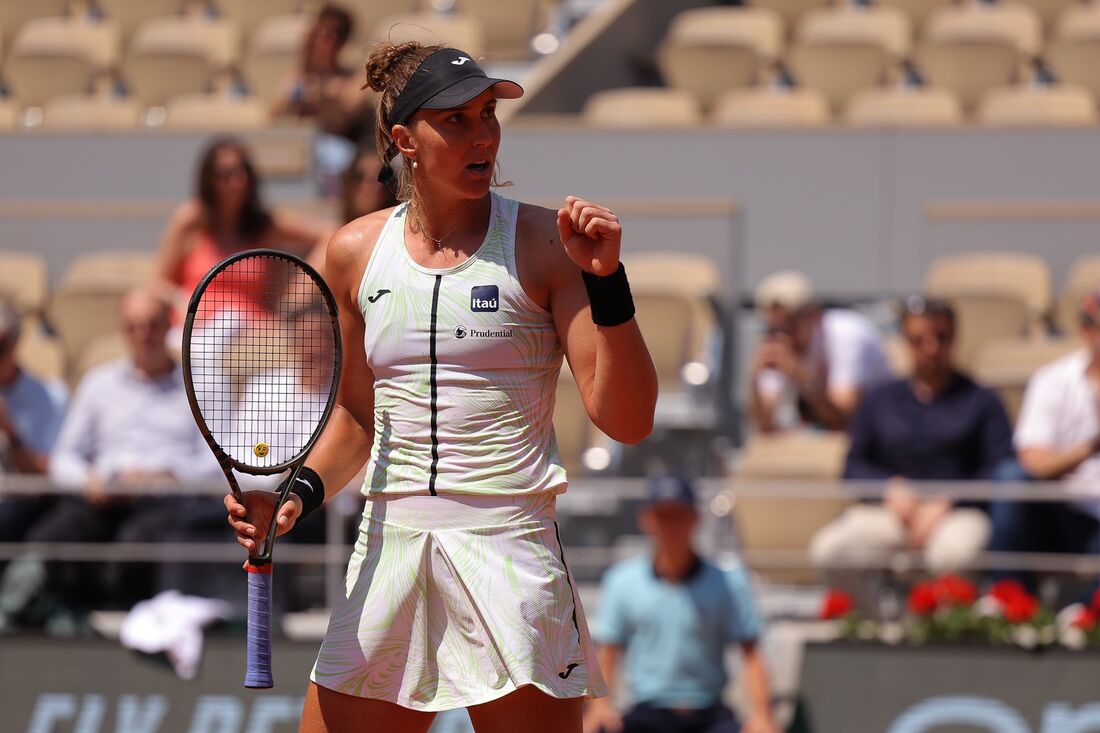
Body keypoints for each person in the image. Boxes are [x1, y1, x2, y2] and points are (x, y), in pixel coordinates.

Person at [224, 42, 658, 733]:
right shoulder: (352, 252)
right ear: (406, 141)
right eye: (456, 120)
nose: (483, 133)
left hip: (510, 554)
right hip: (389, 550)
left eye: (488, 114)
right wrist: (295, 496)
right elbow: (360, 422)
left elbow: (627, 418)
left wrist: (609, 282)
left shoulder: (549, 244)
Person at [1, 289, 220, 623]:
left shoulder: (201, 384)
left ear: (167, 327)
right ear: (123, 332)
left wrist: (167, 476)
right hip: (102, 496)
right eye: (134, 327)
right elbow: (65, 456)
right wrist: (90, 481)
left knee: (136, 544)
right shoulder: (98, 383)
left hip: (167, 502)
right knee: (52, 537)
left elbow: (218, 460)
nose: (143, 335)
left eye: (151, 325)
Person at [809, 297, 1014, 574]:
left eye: (941, 338)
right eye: (919, 340)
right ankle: (872, 618)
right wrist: (889, 489)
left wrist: (949, 499)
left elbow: (999, 469)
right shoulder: (880, 399)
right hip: (890, 512)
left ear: (955, 338)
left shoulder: (982, 400)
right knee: (829, 551)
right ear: (906, 341)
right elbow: (853, 467)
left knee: (954, 555)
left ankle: (942, 619)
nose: (932, 349)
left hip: (957, 512)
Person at [583, 476, 779, 733]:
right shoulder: (622, 581)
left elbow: (752, 654)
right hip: (647, 713)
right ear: (648, 520)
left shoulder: (728, 582)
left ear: (695, 519)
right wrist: (599, 708)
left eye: (679, 516)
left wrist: (763, 715)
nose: (671, 526)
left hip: (710, 714)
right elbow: (608, 654)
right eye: (664, 516)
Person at [988, 288, 1100, 588]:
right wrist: (1090, 447)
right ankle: (1010, 603)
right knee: (1010, 477)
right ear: (1085, 330)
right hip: (1062, 510)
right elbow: (1032, 462)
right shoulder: (1052, 380)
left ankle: (1085, 617)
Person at [155, 136, 331, 316]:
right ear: (209, 181)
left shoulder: (267, 223)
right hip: (197, 333)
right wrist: (184, 303)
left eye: (241, 172)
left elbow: (330, 233)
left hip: (253, 334)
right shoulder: (190, 220)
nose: (236, 183)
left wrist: (302, 291)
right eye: (224, 175)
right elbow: (158, 284)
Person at [750, 270, 891, 433]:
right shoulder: (778, 342)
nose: (783, 334)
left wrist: (799, 375)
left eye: (790, 325)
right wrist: (754, 376)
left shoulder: (848, 334)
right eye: (775, 327)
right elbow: (764, 423)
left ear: (814, 315)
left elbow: (842, 418)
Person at [0, 298, 66, 574]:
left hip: (18, 504)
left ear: (15, 344)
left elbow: (46, 482)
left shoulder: (50, 397)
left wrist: (9, 430)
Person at [340, 144, 399, 224]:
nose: (367, 185)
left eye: (380, 177)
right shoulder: (327, 234)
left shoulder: (402, 234)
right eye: (358, 176)